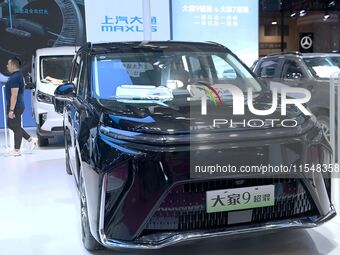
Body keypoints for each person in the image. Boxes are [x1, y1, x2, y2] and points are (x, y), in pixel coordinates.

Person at [6, 57, 37, 156]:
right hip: (16, 105)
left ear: (13, 65)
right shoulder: (15, 76)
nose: (7, 66)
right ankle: (30, 139)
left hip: (16, 106)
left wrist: (11, 109)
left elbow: (14, 95)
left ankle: (17, 150)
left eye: (8, 64)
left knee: (16, 127)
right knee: (14, 126)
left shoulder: (16, 77)